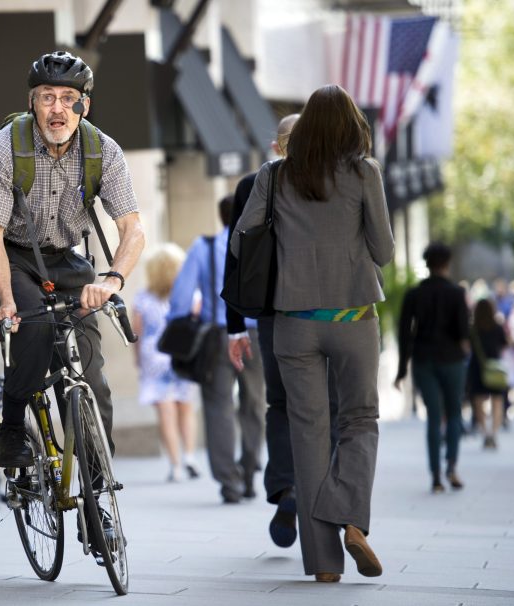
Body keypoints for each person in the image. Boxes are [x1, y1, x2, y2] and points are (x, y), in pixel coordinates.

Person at [0, 51, 145, 532]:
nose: (58, 109)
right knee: (32, 327)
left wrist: (111, 281)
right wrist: (6, 301)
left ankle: (96, 496)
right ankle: (10, 430)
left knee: (92, 376)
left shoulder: (103, 151)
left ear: (84, 105)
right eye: (48, 98)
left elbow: (132, 228)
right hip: (10, 256)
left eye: (68, 98)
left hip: (66, 260)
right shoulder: (3, 151)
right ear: (33, 102)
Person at [232, 84, 394, 583]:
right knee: (360, 420)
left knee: (307, 437)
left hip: (294, 323)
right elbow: (384, 251)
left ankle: (323, 566)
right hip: (352, 318)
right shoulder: (365, 173)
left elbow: (242, 241)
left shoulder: (274, 175)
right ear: (352, 126)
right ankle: (351, 517)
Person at [225, 114, 339, 549]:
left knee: (281, 404)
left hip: (273, 313)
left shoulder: (252, 184)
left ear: (277, 147)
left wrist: (235, 325)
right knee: (326, 405)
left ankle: (288, 488)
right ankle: (320, 493)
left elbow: (236, 256)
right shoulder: (337, 181)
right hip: (329, 313)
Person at [169, 196, 266, 504]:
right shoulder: (260, 244)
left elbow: (180, 299)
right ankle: (249, 470)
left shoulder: (205, 247)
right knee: (255, 404)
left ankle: (229, 482)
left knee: (218, 407)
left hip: (217, 336)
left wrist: (182, 323)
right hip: (256, 335)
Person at [394, 242, 470, 493]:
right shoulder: (457, 294)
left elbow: (405, 334)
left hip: (424, 360)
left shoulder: (414, 294)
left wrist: (401, 370)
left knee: (434, 418)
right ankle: (452, 467)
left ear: (427, 264)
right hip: (452, 360)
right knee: (455, 413)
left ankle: (436, 477)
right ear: (447, 264)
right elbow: (463, 332)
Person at [132, 243, 200, 482]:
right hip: (182, 353)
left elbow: (137, 333)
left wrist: (138, 361)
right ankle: (190, 456)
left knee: (166, 412)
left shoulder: (142, 298)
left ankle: (176, 465)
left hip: (154, 355)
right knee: (186, 406)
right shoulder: (191, 295)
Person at [468, 298, 510, 449]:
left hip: (477, 368)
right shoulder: (497, 327)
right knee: (497, 401)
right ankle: (493, 433)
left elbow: (467, 348)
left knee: (478, 402)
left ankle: (485, 432)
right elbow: (505, 344)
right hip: (495, 369)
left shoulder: (473, 328)